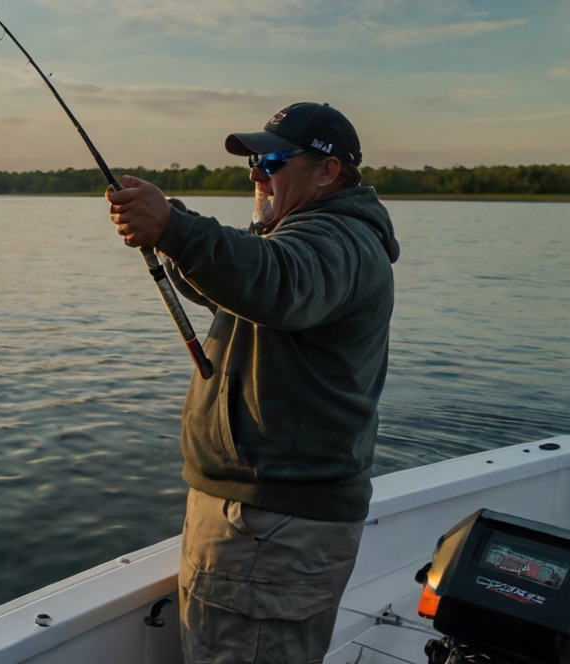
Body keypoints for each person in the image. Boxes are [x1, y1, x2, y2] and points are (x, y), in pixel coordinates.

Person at [106, 102, 400, 663]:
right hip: (253, 523)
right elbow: (240, 283)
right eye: (253, 162)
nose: (256, 174)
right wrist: (170, 228)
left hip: (274, 530)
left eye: (271, 160)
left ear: (328, 171)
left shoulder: (342, 242)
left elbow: (276, 279)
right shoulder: (297, 232)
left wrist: (172, 226)